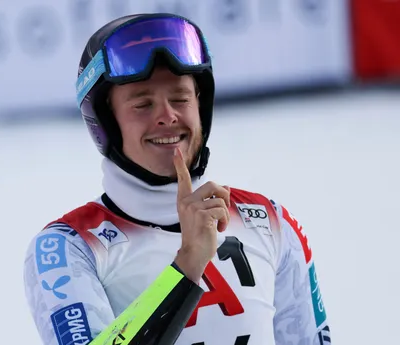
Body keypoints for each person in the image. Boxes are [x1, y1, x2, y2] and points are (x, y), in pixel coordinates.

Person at [23, 13, 331, 345]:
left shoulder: (269, 220)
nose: (167, 117)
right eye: (142, 104)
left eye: (181, 99)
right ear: (105, 123)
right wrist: (187, 265)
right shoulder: (68, 247)